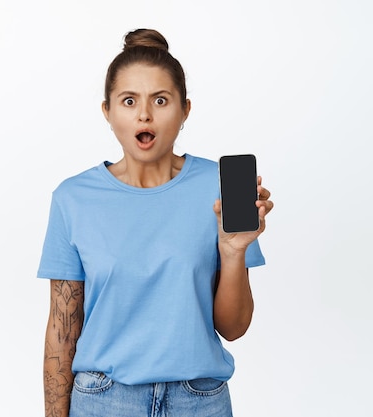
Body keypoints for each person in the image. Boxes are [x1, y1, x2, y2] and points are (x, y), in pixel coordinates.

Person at [37, 28, 274, 417]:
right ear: (108, 112)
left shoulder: (218, 188)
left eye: (160, 100)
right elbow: (62, 330)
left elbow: (232, 328)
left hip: (199, 400)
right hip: (103, 401)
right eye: (129, 101)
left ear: (185, 110)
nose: (144, 114)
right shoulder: (73, 199)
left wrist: (233, 253)